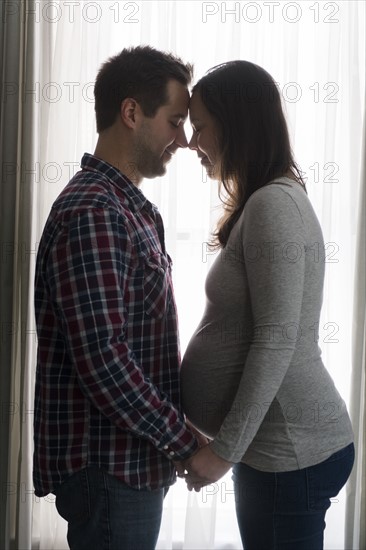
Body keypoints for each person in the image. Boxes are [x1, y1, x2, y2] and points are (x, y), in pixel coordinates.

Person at [180, 60, 355, 550]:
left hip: (289, 452)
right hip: (278, 451)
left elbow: (277, 338)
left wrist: (223, 453)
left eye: (201, 126)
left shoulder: (273, 205)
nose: (193, 142)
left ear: (236, 126)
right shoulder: (270, 199)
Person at [33, 45, 201, 550]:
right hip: (109, 469)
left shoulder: (132, 210)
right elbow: (105, 360)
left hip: (130, 464)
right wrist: (186, 443)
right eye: (174, 120)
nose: (184, 139)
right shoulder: (95, 212)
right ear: (131, 113)